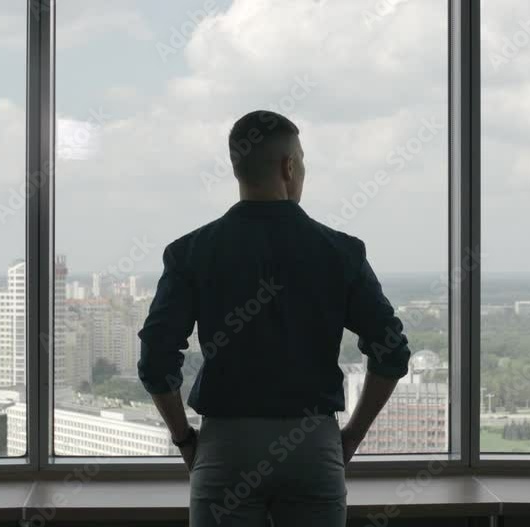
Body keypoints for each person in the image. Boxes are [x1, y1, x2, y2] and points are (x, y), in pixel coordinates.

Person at [137, 110, 411, 526]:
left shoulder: (192, 251)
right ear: (289, 166)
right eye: (302, 161)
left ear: (237, 168)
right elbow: (392, 352)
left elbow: (156, 359)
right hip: (312, 446)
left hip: (226, 447)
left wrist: (184, 440)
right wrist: (350, 437)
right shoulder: (340, 252)